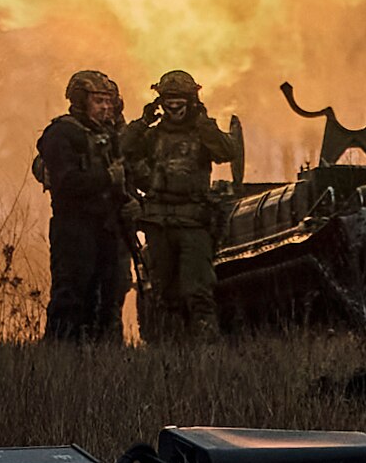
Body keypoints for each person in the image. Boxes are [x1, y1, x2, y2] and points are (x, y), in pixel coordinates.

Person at [122, 70, 239, 342]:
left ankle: (206, 353)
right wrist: (141, 123)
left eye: (180, 101)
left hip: (194, 224)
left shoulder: (201, 133)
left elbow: (227, 152)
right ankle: (169, 352)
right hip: (158, 223)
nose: (174, 107)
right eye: (168, 100)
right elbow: (120, 150)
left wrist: (204, 122)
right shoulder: (150, 137)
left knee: (198, 292)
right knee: (164, 293)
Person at [37, 70, 134, 342]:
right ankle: (62, 358)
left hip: (107, 227)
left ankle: (102, 358)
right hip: (74, 228)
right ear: (81, 102)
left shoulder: (111, 136)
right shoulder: (63, 134)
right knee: (71, 297)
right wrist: (106, 178)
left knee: (108, 297)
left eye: (109, 102)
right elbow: (66, 182)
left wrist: (131, 203)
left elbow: (130, 175)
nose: (106, 108)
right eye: (98, 101)